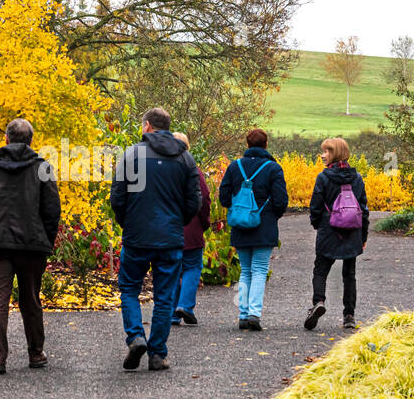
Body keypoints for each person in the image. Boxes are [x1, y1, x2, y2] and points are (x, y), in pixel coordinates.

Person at [110, 107, 201, 370]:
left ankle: (136, 336)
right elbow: (192, 202)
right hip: (170, 238)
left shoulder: (131, 155)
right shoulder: (185, 159)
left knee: (129, 288)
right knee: (165, 296)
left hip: (137, 236)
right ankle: (158, 353)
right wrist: (177, 223)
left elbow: (118, 197)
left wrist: (127, 223)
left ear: (148, 126)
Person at [0, 118, 61, 374]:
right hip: (32, 244)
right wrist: (46, 240)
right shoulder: (42, 168)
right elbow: (52, 210)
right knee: (30, 298)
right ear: (31, 141)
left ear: (6, 139)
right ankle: (36, 353)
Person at [218, 129, 289, 331]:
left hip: (240, 225)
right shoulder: (273, 168)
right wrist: (271, 215)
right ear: (266, 144)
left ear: (247, 145)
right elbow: (281, 200)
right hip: (264, 225)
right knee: (259, 270)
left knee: (245, 271)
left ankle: (242, 314)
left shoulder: (235, 167)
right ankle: (254, 314)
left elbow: (224, 197)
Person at [305, 136, 369, 331]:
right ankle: (349, 315)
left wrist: (317, 225)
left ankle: (319, 302)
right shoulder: (357, 178)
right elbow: (363, 208)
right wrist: (363, 236)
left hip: (329, 229)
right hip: (352, 231)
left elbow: (316, 206)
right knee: (349, 274)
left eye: (326, 151)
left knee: (320, 270)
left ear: (335, 154)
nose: (323, 155)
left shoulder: (324, 177)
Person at [170, 132, 210, 326]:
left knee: (172, 269)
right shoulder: (192, 169)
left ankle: (172, 313)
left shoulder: (161, 168)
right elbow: (203, 198)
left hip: (167, 228)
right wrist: (204, 222)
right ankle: (185, 305)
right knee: (192, 267)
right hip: (191, 227)